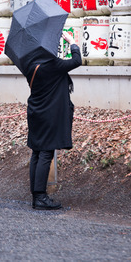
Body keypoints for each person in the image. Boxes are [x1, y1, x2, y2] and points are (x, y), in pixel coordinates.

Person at [24, 30, 82, 210]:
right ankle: (41, 197)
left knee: (37, 152)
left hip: (35, 112)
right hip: (49, 114)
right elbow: (76, 61)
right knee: (46, 152)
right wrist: (72, 42)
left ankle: (36, 195)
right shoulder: (53, 64)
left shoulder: (30, 65)